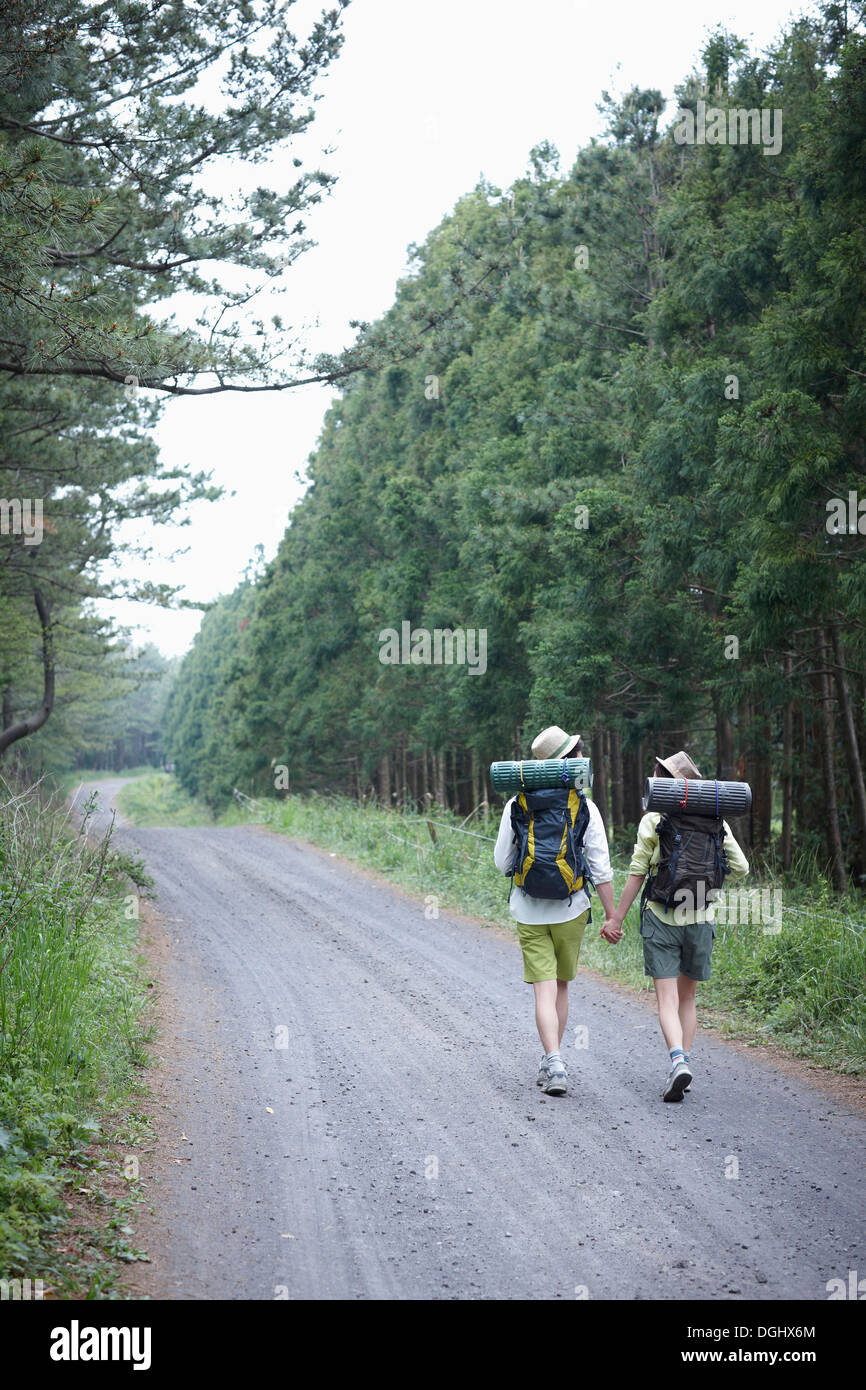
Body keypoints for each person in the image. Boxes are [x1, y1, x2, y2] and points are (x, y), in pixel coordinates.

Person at [601, 750, 749, 1101]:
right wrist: (710, 876)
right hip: (700, 918)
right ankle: (685, 1061)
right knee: (688, 999)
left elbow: (637, 872)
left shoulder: (654, 820)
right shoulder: (716, 820)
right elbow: (741, 867)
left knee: (666, 999)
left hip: (661, 915)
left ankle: (677, 1061)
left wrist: (616, 918)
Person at [493, 725, 615, 1096]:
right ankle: (555, 1059)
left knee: (542, 990)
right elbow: (600, 867)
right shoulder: (584, 805)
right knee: (561, 986)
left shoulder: (517, 803)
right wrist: (612, 916)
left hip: (529, 910)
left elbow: (502, 863)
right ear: (572, 761)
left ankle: (554, 1061)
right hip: (571, 908)